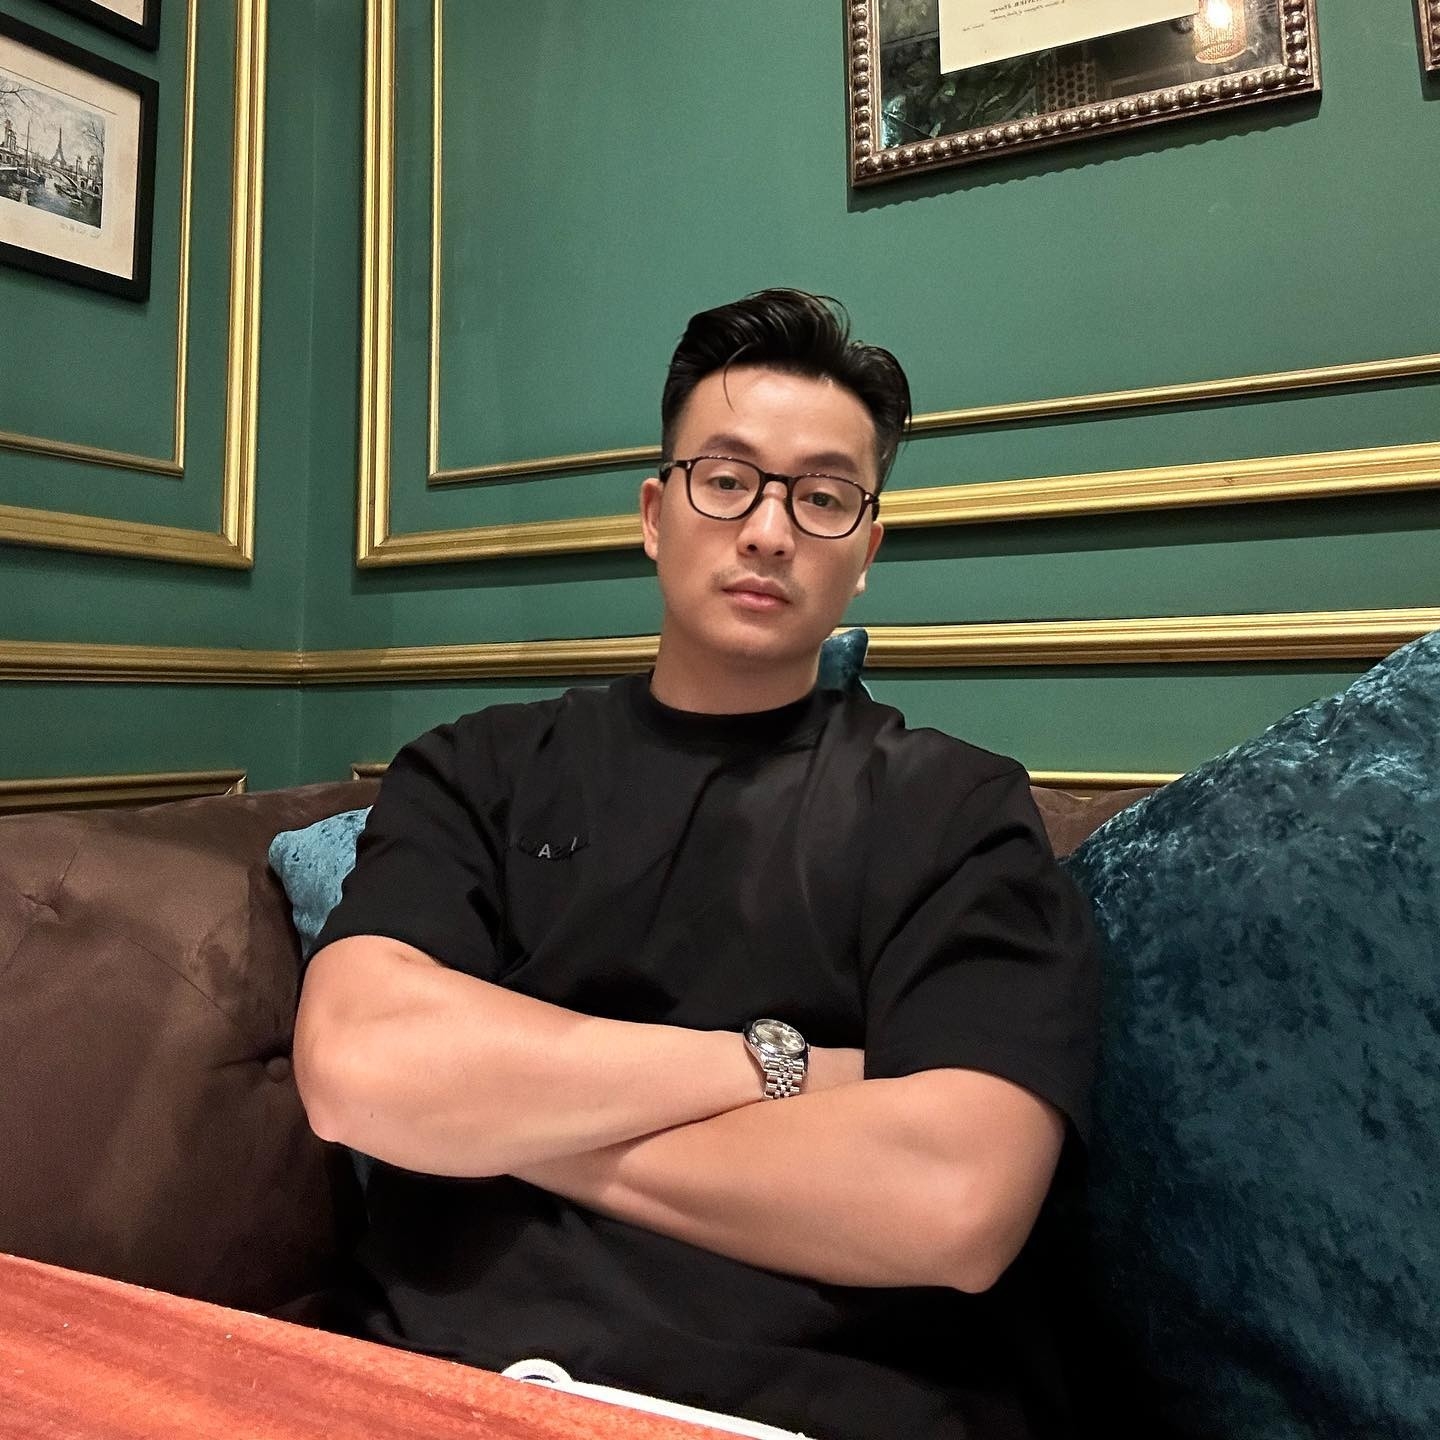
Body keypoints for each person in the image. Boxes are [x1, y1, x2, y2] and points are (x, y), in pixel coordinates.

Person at [294, 289, 1099, 1440]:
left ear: (865, 552)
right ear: (654, 513)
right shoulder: (481, 768)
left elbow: (954, 1202)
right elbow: (359, 1070)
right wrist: (785, 1069)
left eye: (823, 497)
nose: (768, 530)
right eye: (726, 480)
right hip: (425, 1388)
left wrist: (495, 1126)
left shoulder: (952, 809)